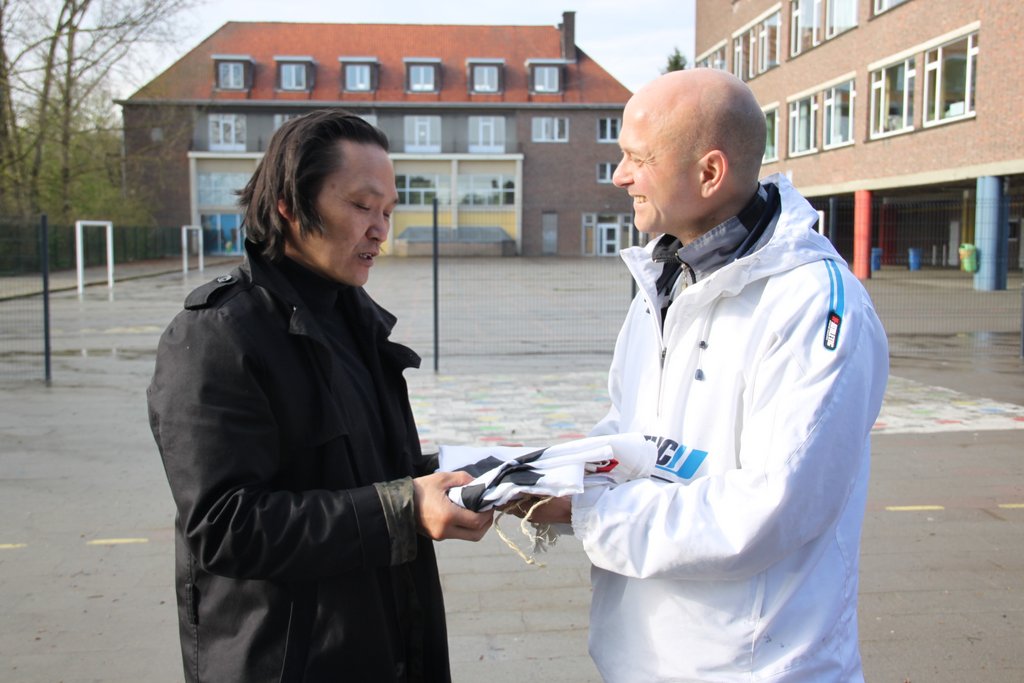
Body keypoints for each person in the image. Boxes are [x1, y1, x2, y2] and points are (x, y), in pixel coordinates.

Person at [513, 69, 889, 681]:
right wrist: (544, 471)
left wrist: (584, 512)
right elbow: (632, 433)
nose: (619, 176)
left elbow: (771, 507)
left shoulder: (812, 304)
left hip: (753, 668)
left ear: (709, 173)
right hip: (645, 657)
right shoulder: (664, 283)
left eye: (636, 157)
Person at [147, 110, 493, 682]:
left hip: (388, 644)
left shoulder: (356, 326)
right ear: (290, 203)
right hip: (287, 660)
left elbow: (374, 473)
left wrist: (478, 477)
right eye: (361, 206)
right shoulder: (216, 335)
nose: (380, 229)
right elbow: (226, 524)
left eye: (387, 211)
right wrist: (405, 508)